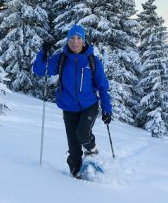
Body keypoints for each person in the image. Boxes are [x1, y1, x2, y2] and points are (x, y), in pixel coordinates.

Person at [33, 24, 112, 178]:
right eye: (72, 38)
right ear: (68, 40)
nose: (75, 41)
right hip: (69, 108)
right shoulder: (61, 59)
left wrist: (107, 109)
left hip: (89, 105)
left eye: (79, 38)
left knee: (82, 133)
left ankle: (92, 150)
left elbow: (103, 87)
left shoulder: (92, 61)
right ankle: (75, 174)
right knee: (74, 148)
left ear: (83, 41)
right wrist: (43, 51)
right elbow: (39, 70)